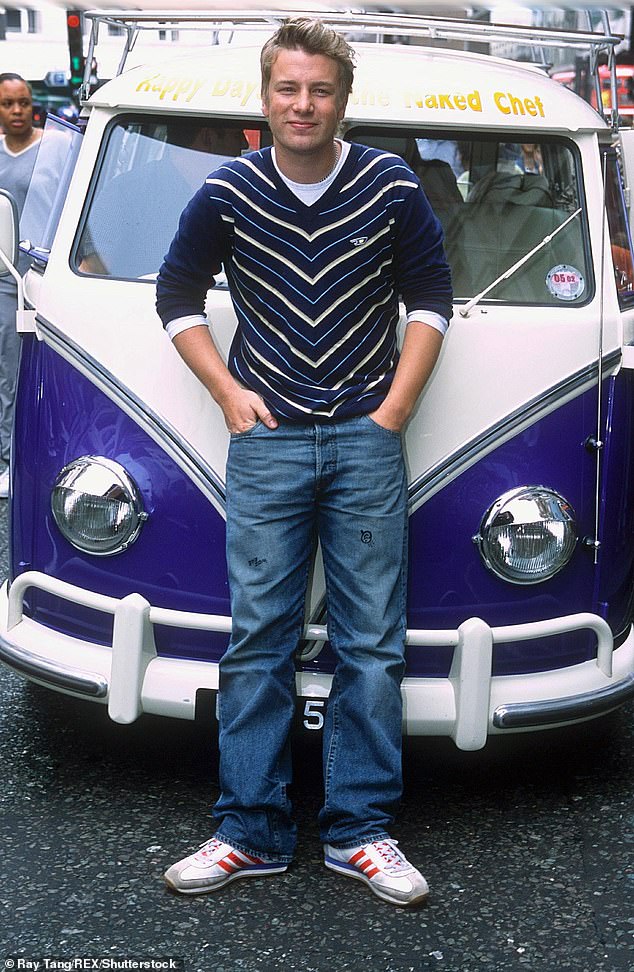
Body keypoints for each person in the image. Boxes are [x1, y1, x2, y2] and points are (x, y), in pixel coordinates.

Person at [156, 17, 452, 907]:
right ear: (265, 96)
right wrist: (226, 395)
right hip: (268, 440)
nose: (303, 104)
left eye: (320, 90)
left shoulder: (391, 185)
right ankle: (249, 830)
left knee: (371, 642)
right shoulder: (229, 191)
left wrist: (393, 409)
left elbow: (431, 297)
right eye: (288, 88)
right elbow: (176, 298)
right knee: (258, 641)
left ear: (343, 100)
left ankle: (361, 831)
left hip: (366, 438)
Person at [0, 73, 42, 498]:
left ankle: (18, 459)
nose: (17, 111)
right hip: (3, 276)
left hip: (38, 277)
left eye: (23, 102)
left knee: (26, 370)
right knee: (5, 372)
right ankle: (6, 458)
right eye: (8, 104)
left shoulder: (54, 150)